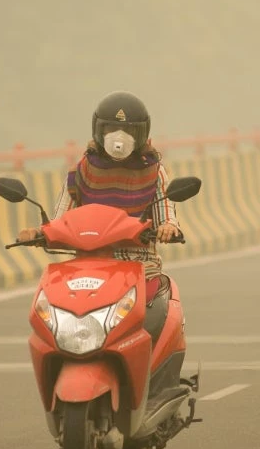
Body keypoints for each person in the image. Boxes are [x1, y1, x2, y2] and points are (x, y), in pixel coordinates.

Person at [16, 91, 182, 344]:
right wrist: (39, 233)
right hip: (86, 267)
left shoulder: (155, 172)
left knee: (156, 314)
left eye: (128, 131)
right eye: (111, 129)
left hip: (140, 267)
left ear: (141, 135)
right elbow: (60, 222)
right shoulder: (80, 172)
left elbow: (167, 217)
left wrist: (168, 228)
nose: (119, 138)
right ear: (98, 131)